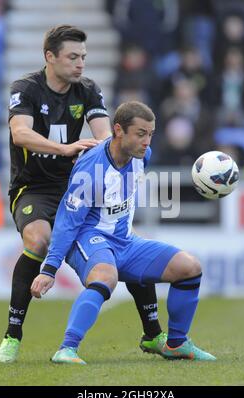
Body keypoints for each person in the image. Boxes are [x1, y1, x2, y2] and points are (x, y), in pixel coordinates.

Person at [0, 25, 165, 363]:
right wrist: (65, 148)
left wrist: (120, 148)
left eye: (84, 57)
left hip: (78, 187)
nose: (80, 64)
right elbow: (20, 134)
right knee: (38, 241)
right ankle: (12, 336)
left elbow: (105, 135)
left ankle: (154, 333)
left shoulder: (87, 90)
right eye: (73, 57)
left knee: (122, 245)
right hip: (34, 188)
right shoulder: (26, 89)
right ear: (50, 57)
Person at [31, 101, 216, 364]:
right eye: (140, 134)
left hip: (125, 241)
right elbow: (67, 223)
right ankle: (66, 349)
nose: (146, 141)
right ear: (118, 130)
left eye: (150, 134)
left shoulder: (144, 156)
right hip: (89, 238)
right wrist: (49, 269)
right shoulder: (91, 168)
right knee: (106, 276)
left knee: (190, 267)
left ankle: (176, 343)